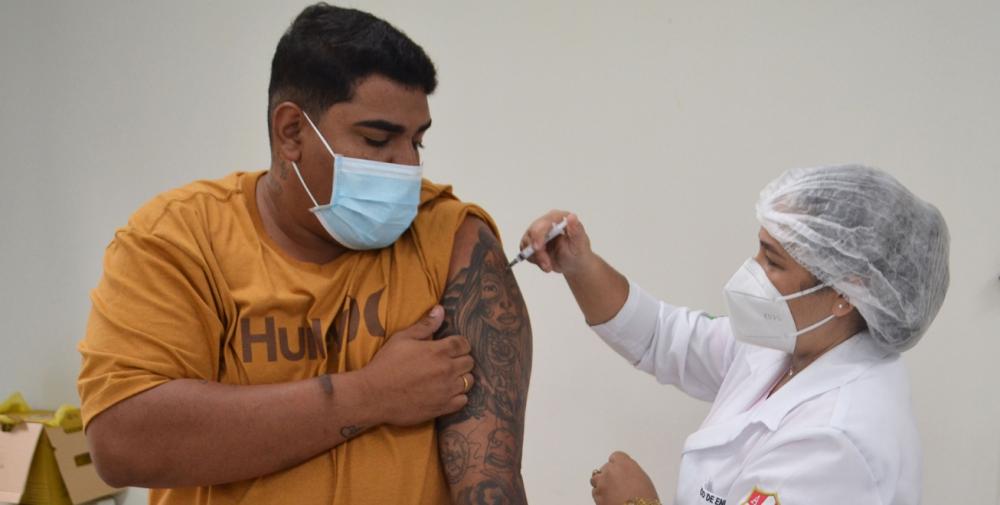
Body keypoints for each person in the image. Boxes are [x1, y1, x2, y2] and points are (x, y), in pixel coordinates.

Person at [77, 4, 531, 504]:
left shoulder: (449, 239)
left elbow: (491, 482)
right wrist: (370, 395)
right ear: (291, 131)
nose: (406, 166)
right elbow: (122, 442)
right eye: (377, 139)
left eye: (416, 142)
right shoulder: (177, 241)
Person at [520, 164, 948, 505]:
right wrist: (578, 263)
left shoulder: (838, 440)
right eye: (759, 248)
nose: (752, 271)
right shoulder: (791, 346)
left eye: (773, 261)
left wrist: (636, 503)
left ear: (845, 293)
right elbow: (663, 336)